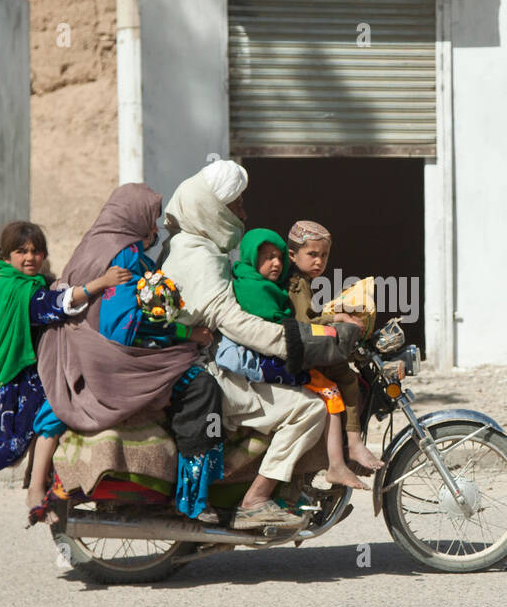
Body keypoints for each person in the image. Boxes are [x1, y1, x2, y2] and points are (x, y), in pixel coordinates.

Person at [160, 161, 359, 530]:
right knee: (309, 409)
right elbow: (230, 319)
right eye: (235, 205)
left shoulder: (192, 246)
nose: (242, 213)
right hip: (212, 374)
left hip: (214, 364)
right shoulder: (199, 257)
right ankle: (256, 500)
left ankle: (290, 487)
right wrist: (289, 342)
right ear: (212, 208)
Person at [35, 185, 221, 519]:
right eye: (151, 219)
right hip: (115, 359)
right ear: (134, 218)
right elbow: (124, 327)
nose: (156, 227)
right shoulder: (125, 254)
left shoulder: (91, 245)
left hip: (79, 355)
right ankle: (194, 497)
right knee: (202, 387)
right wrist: (185, 333)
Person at [0, 220, 129, 511]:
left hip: (25, 374)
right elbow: (52, 305)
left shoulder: (23, 283)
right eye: (21, 251)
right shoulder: (14, 290)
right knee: (59, 407)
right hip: (10, 385)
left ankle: (39, 474)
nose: (30, 258)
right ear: (5, 256)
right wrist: (102, 283)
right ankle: (35, 488)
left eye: (36, 251)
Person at [218, 228, 365, 489]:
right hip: (266, 364)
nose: (275, 263)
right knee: (329, 391)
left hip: (275, 358)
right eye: (267, 257)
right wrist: (334, 323)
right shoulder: (259, 288)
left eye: (277, 257)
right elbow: (291, 327)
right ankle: (337, 463)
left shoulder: (272, 284)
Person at [285, 219, 385, 473]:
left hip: (303, 347)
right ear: (292, 255)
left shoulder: (303, 280)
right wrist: (337, 318)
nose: (319, 261)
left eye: (324, 255)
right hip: (300, 353)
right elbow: (305, 322)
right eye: (312, 254)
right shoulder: (296, 284)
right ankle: (353, 444)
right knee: (347, 378)